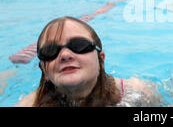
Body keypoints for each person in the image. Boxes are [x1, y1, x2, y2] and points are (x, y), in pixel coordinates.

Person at [17, 16, 160, 107]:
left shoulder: (137, 92)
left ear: (101, 60)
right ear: (44, 71)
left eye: (78, 45)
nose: (65, 55)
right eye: (50, 50)